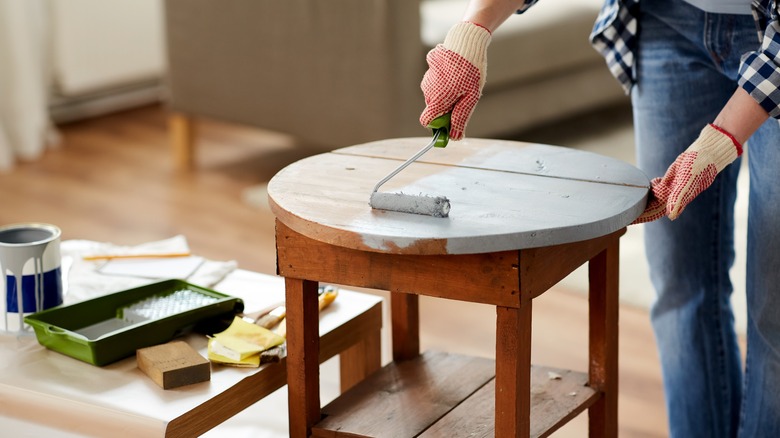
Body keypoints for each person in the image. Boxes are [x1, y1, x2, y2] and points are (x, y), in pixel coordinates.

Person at [419, 0, 780, 436]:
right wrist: (473, 30)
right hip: (666, 19)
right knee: (679, 284)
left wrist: (723, 138)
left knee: (773, 311)